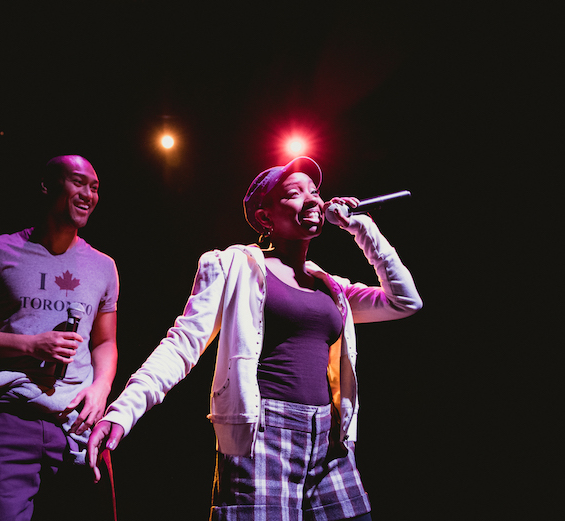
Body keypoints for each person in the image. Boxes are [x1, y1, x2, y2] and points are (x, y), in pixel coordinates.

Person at [88, 156, 423, 520]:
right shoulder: (234, 267)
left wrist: (363, 229)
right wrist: (122, 412)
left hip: (329, 439)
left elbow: (404, 301)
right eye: (294, 194)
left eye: (315, 191)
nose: (312, 199)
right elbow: (182, 343)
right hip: (264, 436)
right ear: (265, 218)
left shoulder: (332, 287)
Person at [0, 154, 119, 520]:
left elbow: (105, 341)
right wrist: (30, 344)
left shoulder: (103, 266)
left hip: (75, 423)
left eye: (94, 187)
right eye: (78, 182)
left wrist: (102, 387)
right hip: (12, 414)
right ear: (46, 186)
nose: (88, 194)